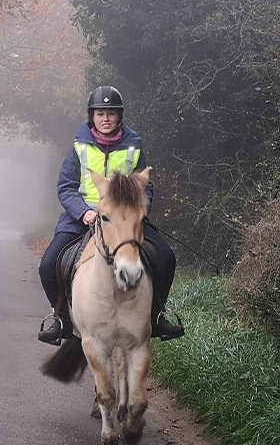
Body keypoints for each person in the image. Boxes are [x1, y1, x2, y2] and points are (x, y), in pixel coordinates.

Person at [37, 86, 185, 344]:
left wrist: (139, 211)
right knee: (48, 265)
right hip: (82, 219)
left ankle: (158, 315)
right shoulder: (79, 147)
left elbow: (145, 186)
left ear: (120, 117)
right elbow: (66, 186)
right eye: (100, 113)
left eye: (111, 113)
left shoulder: (134, 146)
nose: (105, 118)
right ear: (91, 117)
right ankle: (61, 318)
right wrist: (83, 212)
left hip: (124, 221)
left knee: (167, 257)